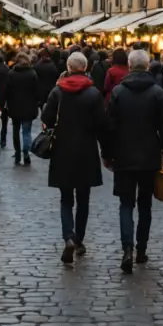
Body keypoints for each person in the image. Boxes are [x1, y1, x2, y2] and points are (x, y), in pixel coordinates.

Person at [104, 49, 163, 274]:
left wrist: (107, 153)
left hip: (123, 154)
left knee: (126, 204)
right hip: (149, 155)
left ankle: (127, 249)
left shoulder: (118, 92)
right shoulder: (157, 92)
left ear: (130, 67)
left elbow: (110, 126)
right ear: (148, 66)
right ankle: (141, 249)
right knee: (145, 204)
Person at [41, 52, 109, 264]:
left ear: (69, 67)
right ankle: (79, 240)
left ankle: (68, 236)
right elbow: (102, 125)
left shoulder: (58, 90)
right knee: (84, 199)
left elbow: (46, 118)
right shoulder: (93, 93)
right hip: (86, 151)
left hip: (62, 150)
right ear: (85, 67)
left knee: (65, 198)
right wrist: (107, 152)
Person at [6, 52, 40, 165]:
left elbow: (8, 91)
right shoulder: (32, 73)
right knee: (26, 132)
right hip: (29, 107)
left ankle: (17, 154)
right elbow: (36, 92)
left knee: (16, 131)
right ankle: (26, 153)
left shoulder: (11, 73)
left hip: (14, 107)